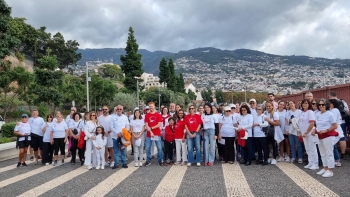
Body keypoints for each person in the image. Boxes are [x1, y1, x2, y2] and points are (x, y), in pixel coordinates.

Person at [312, 99, 338, 178]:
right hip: (320, 136)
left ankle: (330, 170)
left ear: (326, 105)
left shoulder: (330, 114)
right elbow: (316, 124)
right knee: (322, 153)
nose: (321, 106)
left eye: (322, 105)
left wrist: (326, 130)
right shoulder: (317, 114)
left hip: (328, 136)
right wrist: (314, 130)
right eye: (319, 105)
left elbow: (335, 125)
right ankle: (325, 167)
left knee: (329, 153)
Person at [328, 92, 349, 159]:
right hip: (342, 121)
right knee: (342, 138)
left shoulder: (330, 103)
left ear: (329, 96)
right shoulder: (342, 101)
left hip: (334, 123)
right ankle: (343, 154)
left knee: (332, 137)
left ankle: (334, 154)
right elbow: (347, 111)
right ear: (336, 95)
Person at [299, 99, 318, 170]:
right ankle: (310, 162)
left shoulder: (310, 112)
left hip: (309, 133)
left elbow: (312, 123)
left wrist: (306, 132)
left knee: (313, 148)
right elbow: (301, 123)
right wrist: (301, 132)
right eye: (303, 103)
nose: (304, 105)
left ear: (309, 104)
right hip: (304, 134)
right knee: (308, 149)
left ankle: (315, 164)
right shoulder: (302, 113)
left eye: (306, 103)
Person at [144, 102, 164, 166]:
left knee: (159, 148)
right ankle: (148, 160)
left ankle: (160, 160)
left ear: (154, 106)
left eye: (152, 106)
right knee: (148, 148)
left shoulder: (158, 115)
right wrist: (150, 131)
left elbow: (159, 124)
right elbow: (146, 125)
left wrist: (151, 128)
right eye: (149, 106)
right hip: (149, 135)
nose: (151, 108)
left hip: (157, 134)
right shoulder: (147, 115)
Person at [329, 99, 344, 167]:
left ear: (333, 104)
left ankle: (337, 160)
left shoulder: (334, 110)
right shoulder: (333, 110)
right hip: (334, 129)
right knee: (332, 145)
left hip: (335, 129)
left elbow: (333, 120)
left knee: (332, 145)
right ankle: (335, 160)